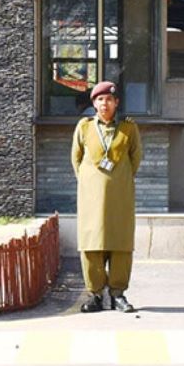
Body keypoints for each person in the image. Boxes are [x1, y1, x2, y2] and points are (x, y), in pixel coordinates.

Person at [72, 81, 141, 312]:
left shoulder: (128, 129)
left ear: (116, 103)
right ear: (94, 103)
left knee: (120, 243)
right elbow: (76, 159)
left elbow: (135, 160)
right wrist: (89, 181)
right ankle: (96, 295)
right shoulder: (84, 127)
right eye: (100, 99)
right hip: (91, 197)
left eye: (109, 99)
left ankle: (118, 293)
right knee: (92, 244)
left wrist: (120, 179)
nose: (105, 103)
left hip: (120, 195)